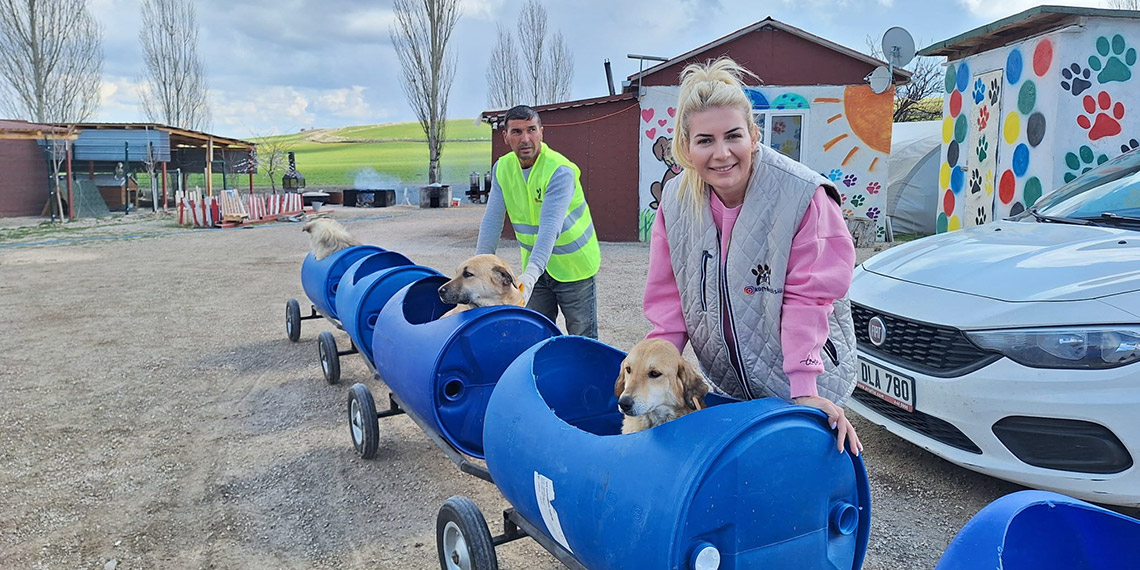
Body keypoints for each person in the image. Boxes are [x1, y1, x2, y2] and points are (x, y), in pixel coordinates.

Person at [643, 58, 862, 454]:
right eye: (705, 140)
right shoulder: (675, 204)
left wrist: (804, 390)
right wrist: (653, 371)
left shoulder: (802, 196)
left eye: (733, 136)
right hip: (731, 382)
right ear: (687, 147)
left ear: (754, 134)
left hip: (803, 378)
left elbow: (808, 299)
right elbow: (668, 299)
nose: (722, 153)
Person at [476, 105, 601, 338]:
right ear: (505, 137)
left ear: (541, 132)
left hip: (574, 267)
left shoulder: (559, 171)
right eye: (517, 132)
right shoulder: (502, 168)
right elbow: (492, 221)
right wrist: (479, 268)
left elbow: (549, 228)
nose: (525, 139)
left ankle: (588, 375)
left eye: (531, 130)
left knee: (582, 337)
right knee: (536, 334)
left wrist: (530, 275)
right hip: (536, 269)